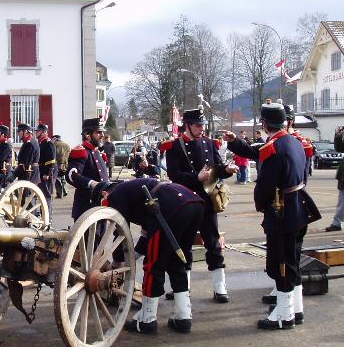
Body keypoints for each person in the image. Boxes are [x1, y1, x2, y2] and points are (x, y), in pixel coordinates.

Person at [225, 102, 321, 329]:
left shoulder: (274, 147)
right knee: (294, 260)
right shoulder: (294, 141)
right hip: (299, 207)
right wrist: (235, 142)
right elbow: (258, 153)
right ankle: (296, 309)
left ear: (265, 123)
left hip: (282, 212)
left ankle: (284, 316)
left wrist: (261, 204)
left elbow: (265, 186)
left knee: (281, 264)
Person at [93, 178, 205, 334]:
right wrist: (131, 259)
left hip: (168, 206)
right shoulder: (134, 190)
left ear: (105, 193)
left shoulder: (115, 195)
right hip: (194, 203)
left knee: (154, 265)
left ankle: (147, 319)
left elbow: (121, 234)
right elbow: (146, 237)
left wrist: (117, 264)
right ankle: (183, 318)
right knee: (177, 263)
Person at [163, 105, 238, 303]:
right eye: (198, 125)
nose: (201, 129)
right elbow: (174, 175)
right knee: (184, 245)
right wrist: (196, 177)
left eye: (202, 125)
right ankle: (182, 287)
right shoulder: (174, 146)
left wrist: (226, 170)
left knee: (213, 243)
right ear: (187, 125)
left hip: (206, 201)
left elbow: (216, 168)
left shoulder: (208, 142)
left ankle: (219, 287)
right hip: (185, 202)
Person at [66, 117, 110, 220]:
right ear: (87, 135)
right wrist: (92, 183)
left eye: (102, 132)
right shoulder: (81, 152)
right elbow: (71, 175)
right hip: (86, 206)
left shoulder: (98, 153)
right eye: (98, 132)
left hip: (101, 206)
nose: (102, 135)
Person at [36, 123, 56, 215]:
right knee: (42, 195)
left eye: (38, 131)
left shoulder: (48, 143)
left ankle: (48, 217)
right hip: (41, 172)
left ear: (44, 132)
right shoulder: (41, 142)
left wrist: (47, 173)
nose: (36, 133)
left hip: (46, 173)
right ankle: (44, 215)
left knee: (47, 195)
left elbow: (51, 160)